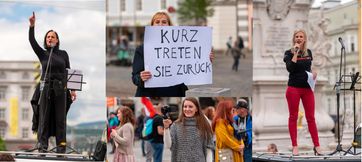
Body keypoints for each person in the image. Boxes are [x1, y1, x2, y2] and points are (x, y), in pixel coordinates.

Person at [132, 11, 214, 97]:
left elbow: (190, 66)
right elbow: (135, 77)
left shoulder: (180, 48)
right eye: (157, 22)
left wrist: (205, 60)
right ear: (152, 26)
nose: (160, 24)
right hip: (150, 94)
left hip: (175, 92)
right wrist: (141, 78)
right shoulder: (142, 49)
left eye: (164, 22)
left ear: (169, 26)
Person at [28, 12, 76, 153]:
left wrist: (73, 90)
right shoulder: (43, 53)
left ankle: (61, 149)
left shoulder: (63, 54)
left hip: (61, 89)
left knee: (61, 120)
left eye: (52, 36)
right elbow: (32, 41)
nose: (50, 38)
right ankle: (42, 147)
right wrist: (32, 26)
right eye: (48, 37)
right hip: (46, 88)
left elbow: (68, 70)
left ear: (57, 40)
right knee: (44, 118)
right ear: (46, 40)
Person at [283, 29, 322, 156]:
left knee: (311, 118)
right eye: (297, 37)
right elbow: (290, 68)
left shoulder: (309, 52)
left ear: (304, 39)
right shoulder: (288, 53)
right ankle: (295, 146)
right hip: (293, 88)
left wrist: (313, 74)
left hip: (307, 89)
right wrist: (296, 52)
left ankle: (317, 146)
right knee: (293, 117)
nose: (299, 38)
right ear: (294, 39)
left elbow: (308, 68)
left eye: (301, 37)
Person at [163, 97, 213, 162]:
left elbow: (208, 149)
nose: (187, 109)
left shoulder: (204, 124)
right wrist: (166, 128)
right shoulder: (176, 125)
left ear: (196, 109)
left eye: (190, 106)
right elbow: (168, 145)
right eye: (185, 106)